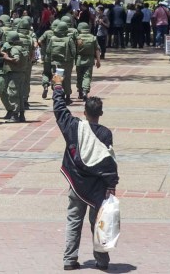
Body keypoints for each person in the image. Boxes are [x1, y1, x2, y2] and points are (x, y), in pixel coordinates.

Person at [52, 73, 118, 271]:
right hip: (98, 189)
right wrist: (111, 186)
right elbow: (108, 164)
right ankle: (102, 261)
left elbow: (60, 110)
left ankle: (69, 260)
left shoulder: (74, 127)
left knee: (74, 221)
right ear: (101, 113)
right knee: (99, 223)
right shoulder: (105, 133)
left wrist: (58, 86)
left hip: (76, 184)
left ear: (84, 111)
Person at [0, 31, 28, 122]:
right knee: (20, 94)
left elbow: (16, 59)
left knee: (13, 94)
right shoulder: (22, 48)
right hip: (22, 73)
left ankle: (15, 116)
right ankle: (22, 115)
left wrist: (6, 57)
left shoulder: (14, 49)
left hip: (14, 74)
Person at [75, 22, 101, 100]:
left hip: (79, 60)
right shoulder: (93, 37)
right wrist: (98, 61)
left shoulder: (77, 37)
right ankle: (85, 91)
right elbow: (97, 50)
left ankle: (80, 92)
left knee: (79, 77)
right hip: (89, 60)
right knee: (87, 77)